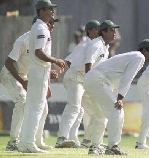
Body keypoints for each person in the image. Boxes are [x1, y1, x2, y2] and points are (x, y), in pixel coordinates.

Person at [83, 39, 149, 155]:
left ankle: (95, 146)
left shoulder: (131, 56)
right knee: (117, 111)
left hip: (90, 80)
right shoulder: (139, 57)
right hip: (98, 80)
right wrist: (120, 98)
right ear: (144, 50)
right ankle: (113, 146)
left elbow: (116, 79)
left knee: (101, 115)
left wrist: (116, 95)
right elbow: (127, 79)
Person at [56, 20, 119, 148]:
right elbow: (83, 63)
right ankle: (61, 139)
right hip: (76, 78)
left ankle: (87, 141)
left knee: (95, 112)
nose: (115, 33)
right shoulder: (91, 44)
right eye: (112, 30)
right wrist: (57, 72)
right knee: (74, 106)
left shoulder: (104, 47)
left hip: (86, 80)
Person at [0, 17, 58, 151]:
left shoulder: (44, 40)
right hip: (10, 75)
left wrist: (48, 81)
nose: (52, 26)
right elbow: (8, 63)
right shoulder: (23, 40)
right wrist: (22, 82)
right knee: (22, 100)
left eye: (53, 23)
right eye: (50, 23)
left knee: (43, 108)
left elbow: (40, 64)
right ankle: (13, 141)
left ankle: (38, 141)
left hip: (26, 76)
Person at [17, 0, 65, 153]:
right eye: (50, 9)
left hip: (39, 71)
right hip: (38, 72)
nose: (52, 12)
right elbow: (39, 52)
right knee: (35, 109)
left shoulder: (40, 27)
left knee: (37, 108)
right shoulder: (40, 28)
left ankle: (30, 142)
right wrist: (56, 60)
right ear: (42, 10)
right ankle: (28, 143)